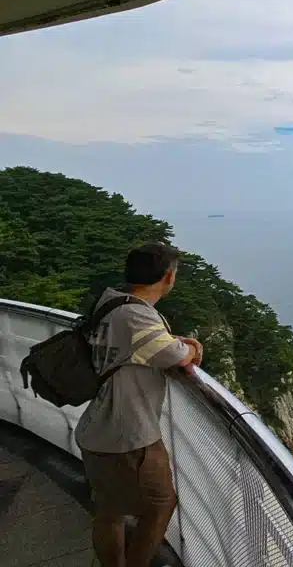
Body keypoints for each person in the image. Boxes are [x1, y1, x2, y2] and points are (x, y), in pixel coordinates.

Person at [74, 243, 203, 567]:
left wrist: (172, 343)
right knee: (161, 504)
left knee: (109, 512)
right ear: (168, 277)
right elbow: (176, 357)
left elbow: (142, 345)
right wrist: (192, 347)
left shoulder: (111, 301)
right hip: (129, 436)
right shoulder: (136, 314)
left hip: (97, 429)